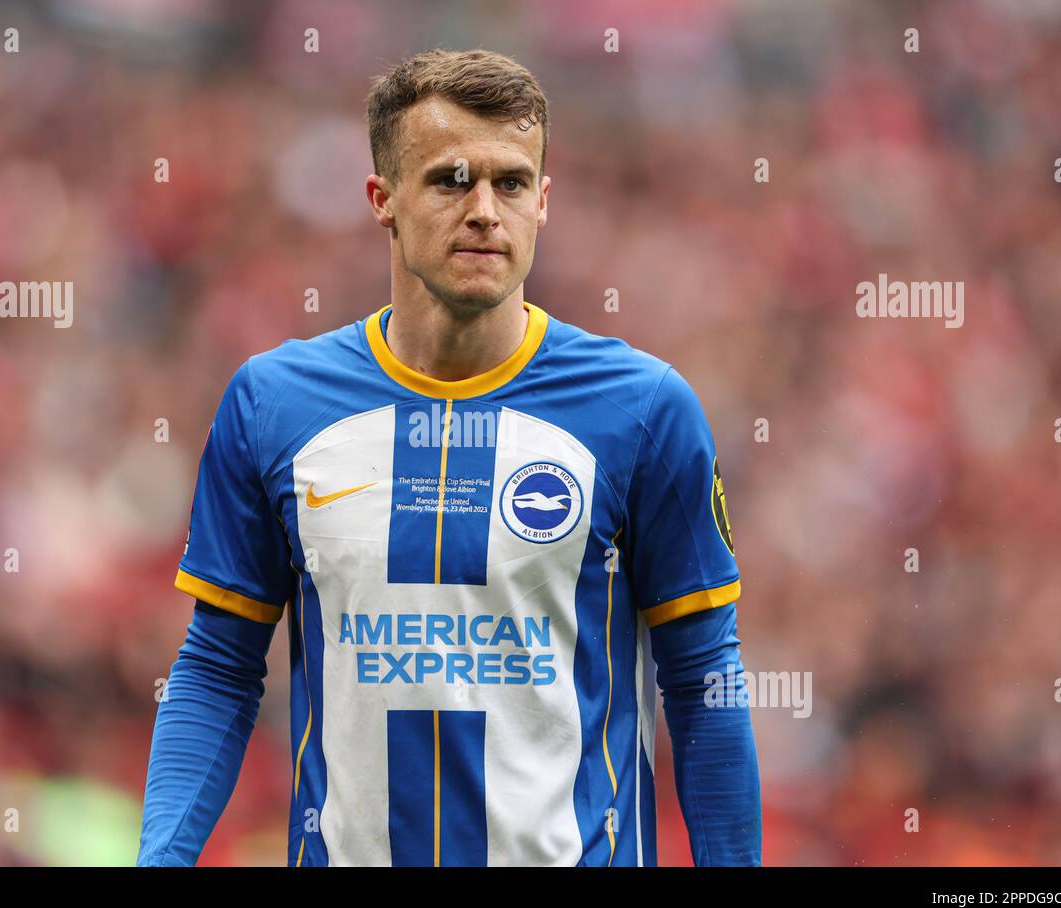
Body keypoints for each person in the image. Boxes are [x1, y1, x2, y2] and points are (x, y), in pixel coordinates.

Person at [138, 48, 760, 866]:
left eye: (509, 183)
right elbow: (219, 665)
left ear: (544, 202)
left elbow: (704, 679)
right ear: (382, 199)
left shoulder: (643, 410)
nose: (483, 210)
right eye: (449, 179)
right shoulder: (273, 403)